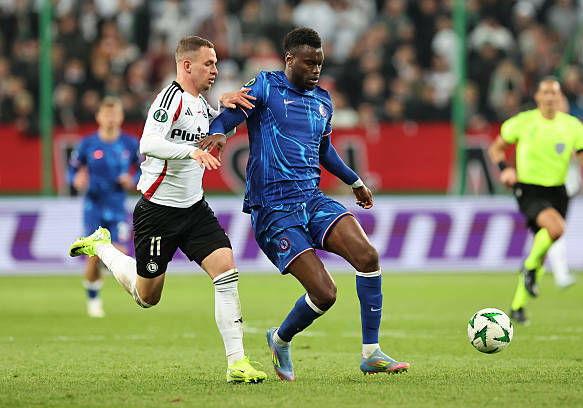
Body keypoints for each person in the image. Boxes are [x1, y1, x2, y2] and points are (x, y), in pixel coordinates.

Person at [205, 27, 409, 380]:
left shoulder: (323, 101)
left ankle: (371, 353)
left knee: (368, 256)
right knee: (325, 293)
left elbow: (325, 150)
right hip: (273, 209)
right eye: (309, 63)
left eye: (320, 64)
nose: (316, 70)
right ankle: (280, 339)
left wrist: (355, 181)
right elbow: (230, 115)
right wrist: (220, 131)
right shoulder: (266, 85)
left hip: (312, 199)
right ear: (289, 59)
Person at [69, 36, 267, 383]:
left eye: (216, 63)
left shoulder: (201, 103)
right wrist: (191, 152)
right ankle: (102, 247)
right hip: (158, 212)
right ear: (187, 65)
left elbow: (211, 127)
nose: (215, 70)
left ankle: (237, 363)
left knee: (226, 271)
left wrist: (226, 109)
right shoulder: (169, 99)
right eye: (209, 63)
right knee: (147, 298)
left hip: (194, 209)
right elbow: (148, 142)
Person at [488, 77, 583, 325]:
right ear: (537, 96)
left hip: (558, 191)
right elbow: (496, 148)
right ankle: (528, 268)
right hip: (530, 190)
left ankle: (517, 306)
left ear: (560, 97)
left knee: (543, 245)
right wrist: (505, 169)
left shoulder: (571, 126)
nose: (549, 97)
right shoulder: (523, 122)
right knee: (556, 229)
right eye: (545, 92)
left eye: (554, 93)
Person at [67, 96, 141, 318]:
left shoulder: (130, 143)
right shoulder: (88, 144)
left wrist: (132, 180)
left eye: (114, 114)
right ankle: (93, 299)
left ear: (121, 117)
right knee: (93, 254)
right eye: (107, 114)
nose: (111, 118)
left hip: (117, 206)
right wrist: (75, 179)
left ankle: (100, 273)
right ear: (99, 116)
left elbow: (142, 169)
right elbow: (72, 169)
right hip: (94, 206)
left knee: (121, 253)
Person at [546, 95, 583, 289]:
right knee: (555, 228)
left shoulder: (575, 127)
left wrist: (577, 155)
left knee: (551, 230)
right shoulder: (542, 127)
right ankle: (560, 274)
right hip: (543, 186)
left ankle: (538, 268)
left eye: (563, 102)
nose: (561, 106)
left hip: (566, 188)